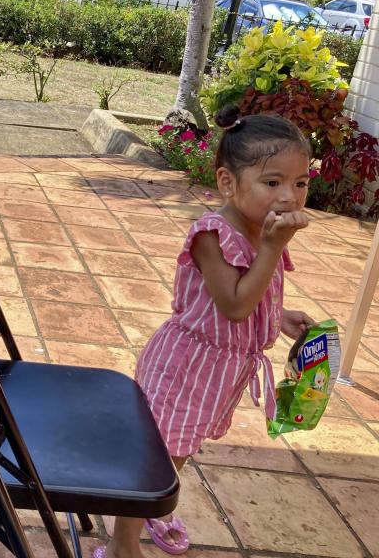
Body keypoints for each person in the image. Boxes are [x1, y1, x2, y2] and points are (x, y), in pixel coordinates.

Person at [95, 106, 317, 558]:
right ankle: (122, 545)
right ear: (228, 183)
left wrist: (279, 316)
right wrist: (273, 249)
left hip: (217, 372)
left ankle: (152, 512)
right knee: (159, 457)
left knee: (181, 448)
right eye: (272, 182)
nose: (290, 196)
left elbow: (248, 299)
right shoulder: (213, 235)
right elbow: (234, 305)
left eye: (301, 183)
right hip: (187, 368)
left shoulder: (259, 231)